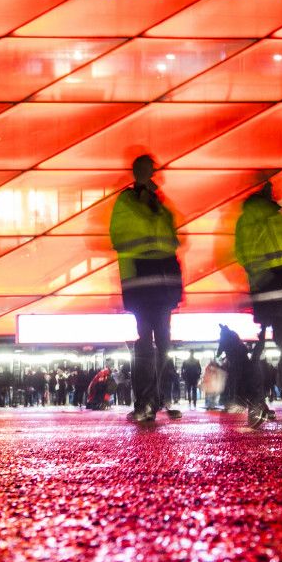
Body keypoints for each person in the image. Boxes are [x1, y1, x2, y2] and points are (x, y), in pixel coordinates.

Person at [109, 154, 183, 425]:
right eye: (145, 170)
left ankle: (155, 398)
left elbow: (172, 240)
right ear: (136, 172)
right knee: (146, 345)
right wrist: (146, 203)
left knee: (162, 343)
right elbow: (123, 236)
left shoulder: (160, 206)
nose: (150, 174)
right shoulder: (127, 202)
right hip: (143, 282)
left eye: (152, 170)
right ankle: (145, 401)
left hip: (160, 284)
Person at [234, 181, 282, 421]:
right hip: (276, 288)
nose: (271, 189)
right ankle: (263, 399)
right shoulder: (255, 218)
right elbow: (247, 251)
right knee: (279, 347)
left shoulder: (276, 217)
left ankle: (277, 397)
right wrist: (264, 278)